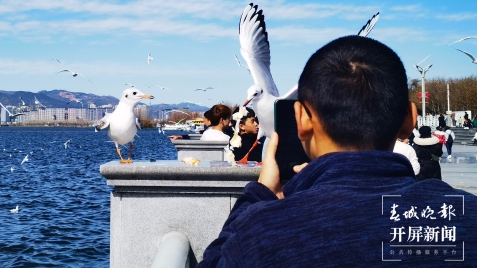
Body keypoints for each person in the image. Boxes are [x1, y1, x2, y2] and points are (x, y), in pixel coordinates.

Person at [198, 36, 477, 267]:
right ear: (410, 118)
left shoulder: (261, 232)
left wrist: (258, 196)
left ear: (302, 120)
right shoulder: (466, 216)